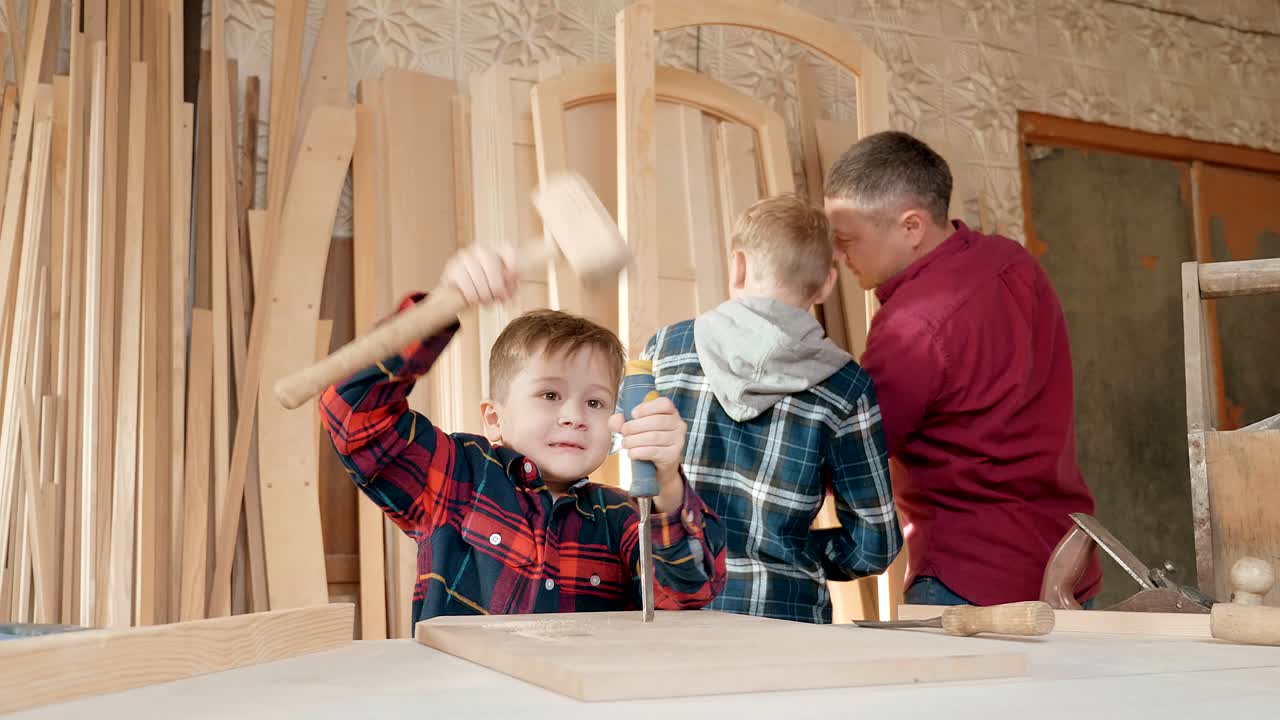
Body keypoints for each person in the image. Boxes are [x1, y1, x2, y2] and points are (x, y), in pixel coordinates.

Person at [320, 244, 726, 624]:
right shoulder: (459, 479)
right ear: (494, 419)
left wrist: (668, 483)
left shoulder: (621, 519)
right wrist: (440, 306)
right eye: (550, 394)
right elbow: (352, 411)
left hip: (580, 701)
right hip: (466, 699)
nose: (574, 416)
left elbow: (686, 598)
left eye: (596, 403)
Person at [822, 130, 1101, 607]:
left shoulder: (912, 327)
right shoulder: (1012, 262)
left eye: (847, 240)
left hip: (971, 582)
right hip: (1065, 563)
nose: (837, 256)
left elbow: (855, 452)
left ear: (911, 227)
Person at [637, 193, 902, 623]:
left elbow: (638, 483)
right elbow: (874, 544)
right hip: (786, 616)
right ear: (827, 285)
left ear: (738, 266)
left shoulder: (666, 350)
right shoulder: (846, 387)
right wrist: (795, 551)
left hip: (673, 610)